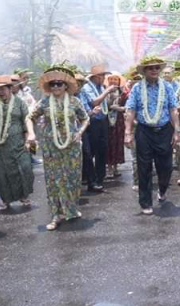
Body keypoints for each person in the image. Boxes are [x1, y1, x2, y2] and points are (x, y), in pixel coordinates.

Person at [27, 66, 89, 230]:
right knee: (54, 180)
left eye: (59, 84)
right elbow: (29, 117)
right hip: (51, 147)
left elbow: (85, 119)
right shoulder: (45, 102)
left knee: (72, 178)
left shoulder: (75, 101)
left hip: (72, 146)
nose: (55, 87)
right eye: (53, 84)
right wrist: (31, 134)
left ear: (66, 86)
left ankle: (71, 208)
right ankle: (56, 214)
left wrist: (80, 132)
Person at [124, 56, 180, 215]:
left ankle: (162, 190)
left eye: (157, 68)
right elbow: (131, 110)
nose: (154, 70)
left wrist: (177, 130)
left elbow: (173, 109)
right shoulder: (136, 88)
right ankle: (145, 202)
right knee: (144, 168)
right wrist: (128, 132)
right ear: (144, 71)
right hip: (144, 131)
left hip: (164, 131)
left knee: (166, 168)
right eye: (150, 68)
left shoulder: (167, 87)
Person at [0, 75, 35, 210]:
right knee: (2, 173)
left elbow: (26, 119)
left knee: (25, 168)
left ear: (10, 89)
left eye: (3, 89)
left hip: (19, 143)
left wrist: (30, 135)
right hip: (0, 146)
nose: (1, 92)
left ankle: (24, 195)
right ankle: (6, 200)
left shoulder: (20, 103)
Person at [79, 64, 115, 193]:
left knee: (102, 149)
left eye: (104, 75)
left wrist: (111, 97)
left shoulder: (101, 87)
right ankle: (91, 180)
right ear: (95, 76)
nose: (104, 78)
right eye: (102, 76)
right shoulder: (87, 88)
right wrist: (106, 92)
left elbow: (105, 105)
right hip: (91, 122)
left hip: (102, 121)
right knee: (90, 152)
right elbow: (94, 102)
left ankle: (100, 178)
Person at [105, 73, 126, 178]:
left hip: (119, 121)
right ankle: (109, 168)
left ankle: (116, 167)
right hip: (106, 121)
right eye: (111, 79)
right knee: (109, 143)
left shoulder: (123, 93)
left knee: (118, 142)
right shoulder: (103, 92)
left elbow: (127, 107)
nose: (113, 81)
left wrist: (119, 108)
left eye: (115, 79)